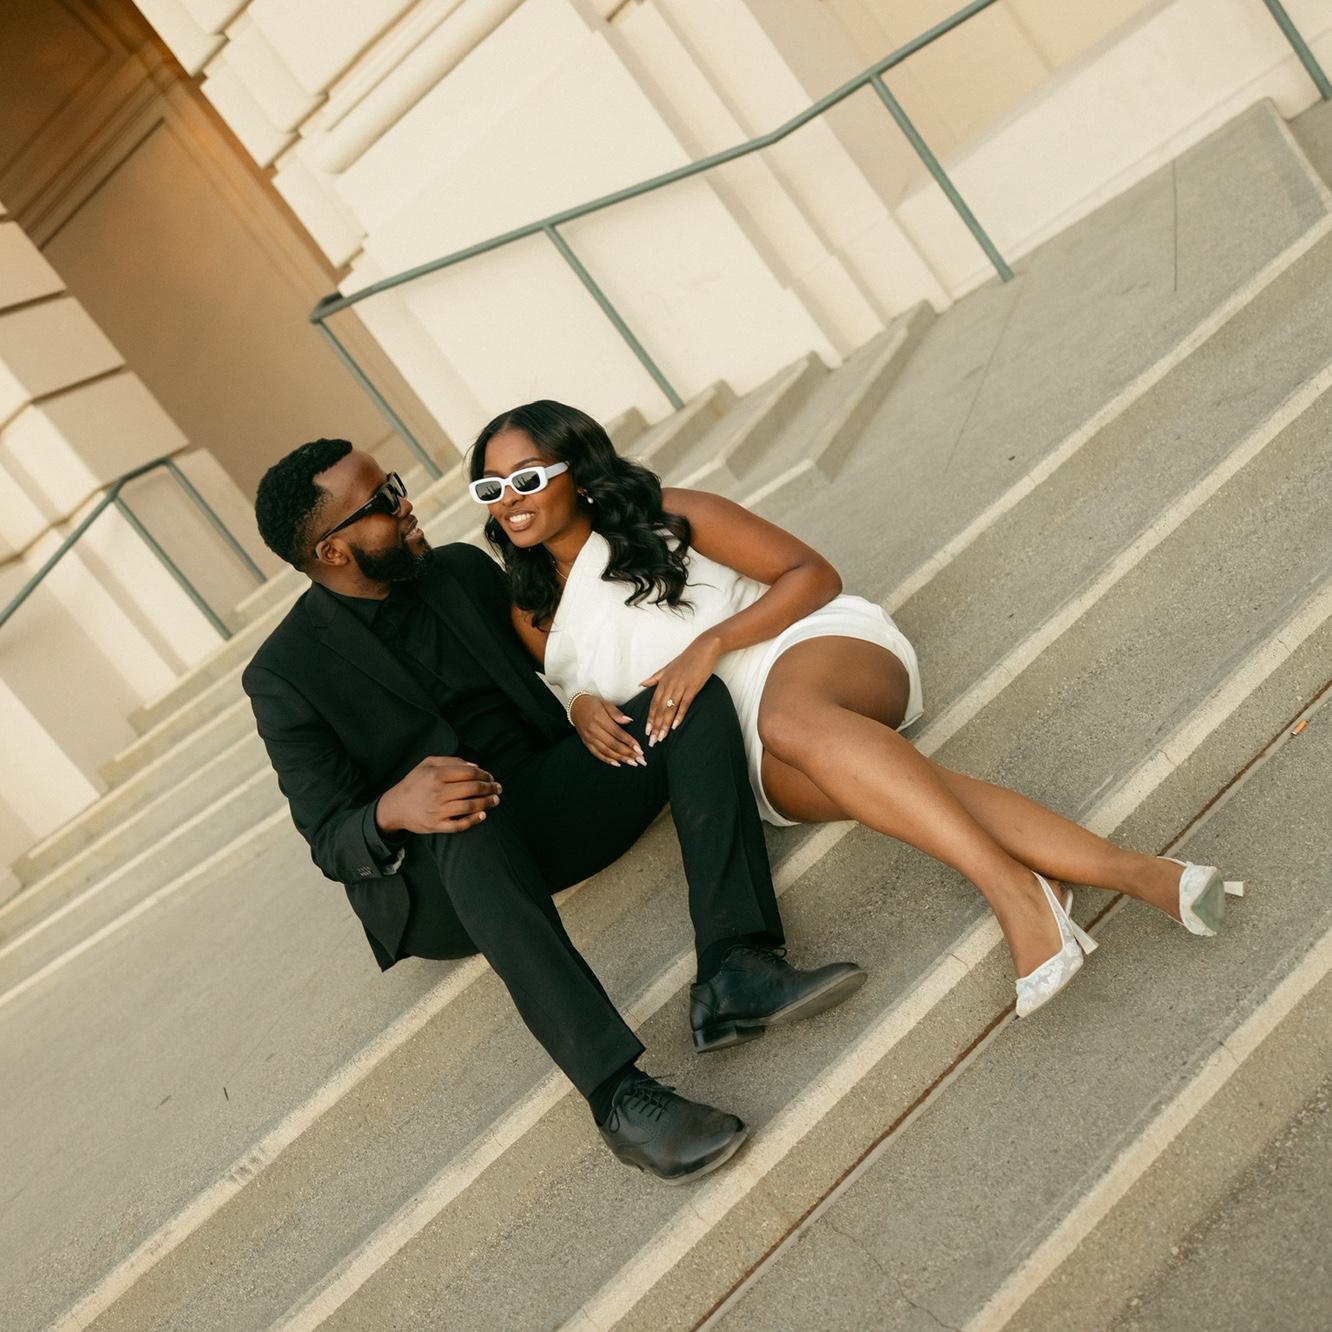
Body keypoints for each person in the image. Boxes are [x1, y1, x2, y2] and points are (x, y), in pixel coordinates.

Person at [466, 401, 1242, 1019]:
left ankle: (1015, 896)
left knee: (794, 722)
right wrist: (581, 711)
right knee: (915, 790)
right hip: (741, 745)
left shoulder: (670, 514)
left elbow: (812, 574)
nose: (511, 500)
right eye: (492, 489)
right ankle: (1141, 873)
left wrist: (714, 643)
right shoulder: (530, 610)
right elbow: (573, 684)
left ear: (579, 472)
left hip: (809, 650)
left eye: (526, 478)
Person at [242, 438, 867, 1184]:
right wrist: (395, 809)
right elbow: (330, 838)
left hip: (548, 799)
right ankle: (618, 1097)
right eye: (382, 503)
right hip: (447, 876)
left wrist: (580, 705)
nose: (407, 505)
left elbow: (554, 658)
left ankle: (737, 971)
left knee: (687, 705)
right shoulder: (284, 673)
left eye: (396, 485)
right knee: (461, 815)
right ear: (332, 550)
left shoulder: (463, 570)